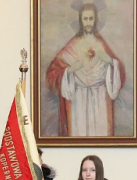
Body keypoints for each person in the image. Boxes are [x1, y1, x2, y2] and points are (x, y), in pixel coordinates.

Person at [45, 3, 125, 137]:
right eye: (85, 19)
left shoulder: (101, 44)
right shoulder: (72, 45)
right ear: (80, 20)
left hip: (100, 97)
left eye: (91, 19)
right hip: (78, 99)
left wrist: (111, 61)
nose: (88, 23)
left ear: (96, 20)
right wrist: (70, 70)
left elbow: (119, 72)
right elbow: (52, 73)